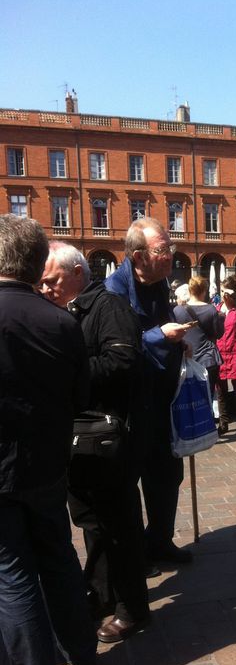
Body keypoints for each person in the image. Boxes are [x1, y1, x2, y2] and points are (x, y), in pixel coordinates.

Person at [0, 215, 97, 665]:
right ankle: (84, 655)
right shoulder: (62, 321)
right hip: (46, 462)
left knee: (12, 571)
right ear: (39, 264)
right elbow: (80, 395)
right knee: (58, 555)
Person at [40, 243, 150, 644]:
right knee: (91, 525)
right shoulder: (60, 311)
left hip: (108, 438)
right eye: (41, 283)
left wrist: (67, 373)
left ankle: (132, 609)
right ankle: (103, 594)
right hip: (76, 437)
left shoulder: (109, 307)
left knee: (119, 527)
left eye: (51, 280)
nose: (46, 288)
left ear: (76, 273)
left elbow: (122, 362)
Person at [105, 218, 194, 564]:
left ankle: (160, 539)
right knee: (131, 481)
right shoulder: (113, 292)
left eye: (170, 247)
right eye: (162, 249)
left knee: (167, 475)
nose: (170, 255)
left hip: (162, 400)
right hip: (131, 404)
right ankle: (134, 553)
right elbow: (116, 349)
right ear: (138, 256)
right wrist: (160, 337)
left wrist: (179, 344)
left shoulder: (158, 285)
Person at [174, 275, 224, 396]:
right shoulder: (211, 310)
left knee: (187, 395)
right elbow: (219, 334)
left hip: (185, 359)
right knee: (207, 396)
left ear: (190, 290)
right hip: (207, 359)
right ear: (204, 291)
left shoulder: (177, 310)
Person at [216, 274, 236, 437]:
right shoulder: (217, 308)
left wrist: (234, 297)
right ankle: (224, 423)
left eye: (225, 291)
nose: (223, 294)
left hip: (235, 353)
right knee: (220, 390)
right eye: (221, 290)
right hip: (220, 352)